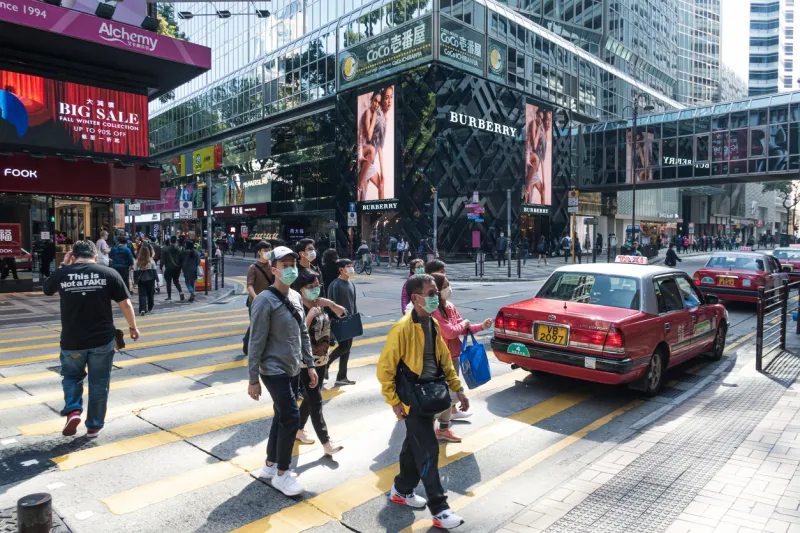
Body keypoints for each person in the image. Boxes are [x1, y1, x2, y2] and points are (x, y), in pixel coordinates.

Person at [377, 274, 469, 530]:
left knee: (412, 447)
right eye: (430, 293)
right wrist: (393, 400)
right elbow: (385, 367)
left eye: (436, 292)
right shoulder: (403, 328)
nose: (436, 297)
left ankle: (402, 489)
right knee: (428, 449)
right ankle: (440, 509)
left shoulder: (432, 324)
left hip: (430, 396)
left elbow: (444, 361)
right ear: (416, 298)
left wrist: (458, 389)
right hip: (412, 400)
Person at [43, 240, 140, 438]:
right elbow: (126, 304)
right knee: (99, 382)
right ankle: (94, 426)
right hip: (101, 340)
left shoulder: (63, 273)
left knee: (71, 377)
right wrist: (133, 327)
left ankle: (73, 410)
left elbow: (47, 289)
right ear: (96, 256)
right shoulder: (108, 273)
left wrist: (64, 266)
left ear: (73, 255)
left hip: (72, 340)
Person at [248, 246, 317, 496]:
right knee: (291, 416)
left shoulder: (297, 297)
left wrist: (309, 364)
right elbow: (256, 341)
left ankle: (269, 465)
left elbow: (303, 333)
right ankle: (282, 473)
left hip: (292, 367)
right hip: (272, 369)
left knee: (281, 415)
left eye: (292, 264)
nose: (290, 269)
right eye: (284, 265)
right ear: (274, 269)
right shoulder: (264, 301)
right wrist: (253, 379)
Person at [430, 273, 492, 443]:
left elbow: (461, 329)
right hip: (440, 359)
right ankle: (430, 425)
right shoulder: (434, 310)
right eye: (444, 286)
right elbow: (450, 331)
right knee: (442, 396)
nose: (448, 289)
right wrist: (463, 324)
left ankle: (443, 429)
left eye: (448, 285)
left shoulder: (449, 306)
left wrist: (480, 326)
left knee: (450, 395)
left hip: (454, 356)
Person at [292, 269, 346, 456]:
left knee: (310, 397)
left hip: (323, 359)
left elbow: (343, 314)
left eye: (317, 286)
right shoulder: (298, 308)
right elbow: (296, 336)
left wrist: (330, 304)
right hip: (307, 363)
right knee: (316, 401)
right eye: (310, 287)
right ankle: (326, 443)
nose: (316, 290)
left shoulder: (320, 305)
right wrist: (309, 317)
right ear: (300, 289)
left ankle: (297, 429)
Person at [327, 259, 358, 385]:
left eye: (351, 265)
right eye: (348, 266)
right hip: (339, 321)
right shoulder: (335, 284)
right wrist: (333, 321)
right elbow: (331, 304)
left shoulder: (351, 283)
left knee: (348, 348)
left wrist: (355, 318)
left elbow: (353, 303)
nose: (351, 268)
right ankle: (326, 364)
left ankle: (342, 376)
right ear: (341, 269)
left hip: (350, 320)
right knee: (344, 346)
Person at [134, 245, 157, 316]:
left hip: (141, 281)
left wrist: (135, 281)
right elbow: (154, 272)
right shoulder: (151, 261)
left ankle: (142, 309)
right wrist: (158, 281)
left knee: (142, 295)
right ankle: (150, 307)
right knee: (150, 294)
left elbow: (135, 272)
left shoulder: (137, 262)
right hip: (150, 280)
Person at [160, 236, 185, 301]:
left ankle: (169, 296)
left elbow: (162, 259)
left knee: (168, 282)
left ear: (170, 241)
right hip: (177, 268)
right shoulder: (179, 249)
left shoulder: (165, 249)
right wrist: (181, 268)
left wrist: (161, 267)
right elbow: (182, 259)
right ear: (176, 241)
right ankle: (181, 293)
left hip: (169, 268)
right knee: (176, 281)